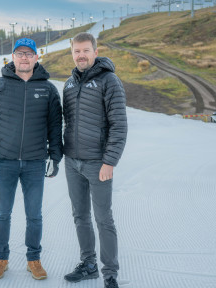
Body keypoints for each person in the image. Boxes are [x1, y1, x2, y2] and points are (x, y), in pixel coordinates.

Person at [0, 38, 63, 280]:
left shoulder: (48, 89)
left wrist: (55, 156)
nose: (24, 57)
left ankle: (33, 260)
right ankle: (0, 258)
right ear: (12, 57)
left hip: (35, 162)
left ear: (37, 57)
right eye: (19, 53)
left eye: (29, 53)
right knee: (3, 213)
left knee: (34, 215)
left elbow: (55, 126)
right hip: (4, 161)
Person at [62, 32, 128, 288]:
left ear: (95, 52)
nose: (81, 55)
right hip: (72, 162)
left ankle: (110, 274)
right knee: (80, 216)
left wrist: (109, 161)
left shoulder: (109, 81)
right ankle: (88, 264)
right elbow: (67, 123)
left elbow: (119, 125)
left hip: (98, 164)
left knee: (104, 219)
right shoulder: (68, 84)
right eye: (76, 51)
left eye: (86, 50)